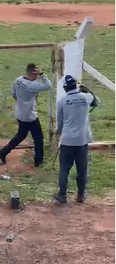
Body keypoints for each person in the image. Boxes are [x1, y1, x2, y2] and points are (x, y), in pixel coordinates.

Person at [0, 63, 52, 167]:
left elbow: (13, 93)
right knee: (38, 138)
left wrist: (21, 102)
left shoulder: (18, 80)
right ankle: (38, 160)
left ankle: (3, 152)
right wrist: (42, 74)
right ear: (34, 72)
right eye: (37, 73)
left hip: (20, 113)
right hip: (30, 116)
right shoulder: (32, 85)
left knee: (21, 135)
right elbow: (48, 85)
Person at [54, 75, 91, 204]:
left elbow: (59, 124)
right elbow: (97, 102)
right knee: (82, 169)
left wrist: (61, 134)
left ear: (65, 87)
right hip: (82, 140)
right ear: (76, 85)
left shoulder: (62, 101)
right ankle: (81, 195)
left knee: (64, 168)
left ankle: (62, 195)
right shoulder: (85, 98)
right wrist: (86, 90)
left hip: (67, 140)